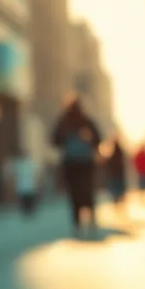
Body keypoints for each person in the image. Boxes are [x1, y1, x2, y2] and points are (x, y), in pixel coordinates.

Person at [51, 95, 101, 235]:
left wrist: (66, 139)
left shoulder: (63, 121)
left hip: (71, 162)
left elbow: (54, 141)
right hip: (85, 162)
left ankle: (77, 224)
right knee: (87, 191)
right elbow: (98, 139)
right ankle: (90, 220)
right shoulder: (86, 121)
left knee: (74, 193)